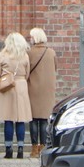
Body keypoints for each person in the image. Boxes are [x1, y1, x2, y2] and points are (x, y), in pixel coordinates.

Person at [0, 32, 31, 159]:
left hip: (7, 87)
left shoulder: (1, 56)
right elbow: (27, 74)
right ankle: (21, 148)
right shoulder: (25, 56)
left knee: (8, 119)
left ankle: (8, 148)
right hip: (21, 86)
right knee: (20, 118)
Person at [26, 27, 57, 158]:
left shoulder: (29, 53)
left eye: (31, 37)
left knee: (33, 120)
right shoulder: (51, 52)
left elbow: (26, 71)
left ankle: (34, 149)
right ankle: (43, 147)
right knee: (44, 120)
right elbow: (55, 67)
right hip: (47, 89)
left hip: (33, 88)